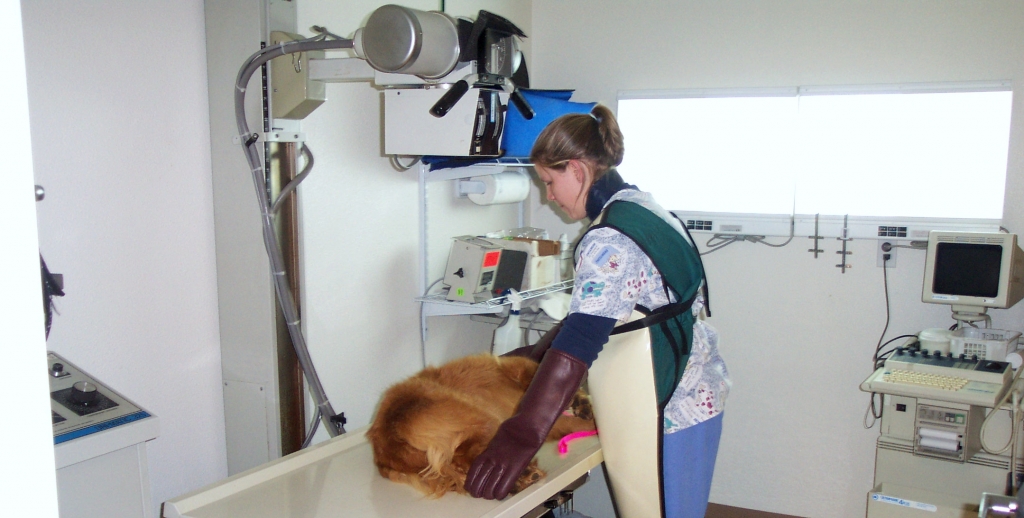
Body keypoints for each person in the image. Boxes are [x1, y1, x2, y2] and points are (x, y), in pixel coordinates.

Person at [464, 104, 731, 518]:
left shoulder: (608, 239)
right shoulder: (644, 207)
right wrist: (530, 359)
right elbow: (605, 312)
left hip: (666, 404)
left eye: (550, 182)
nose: (548, 195)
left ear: (577, 169)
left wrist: (521, 434)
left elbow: (583, 337)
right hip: (699, 389)